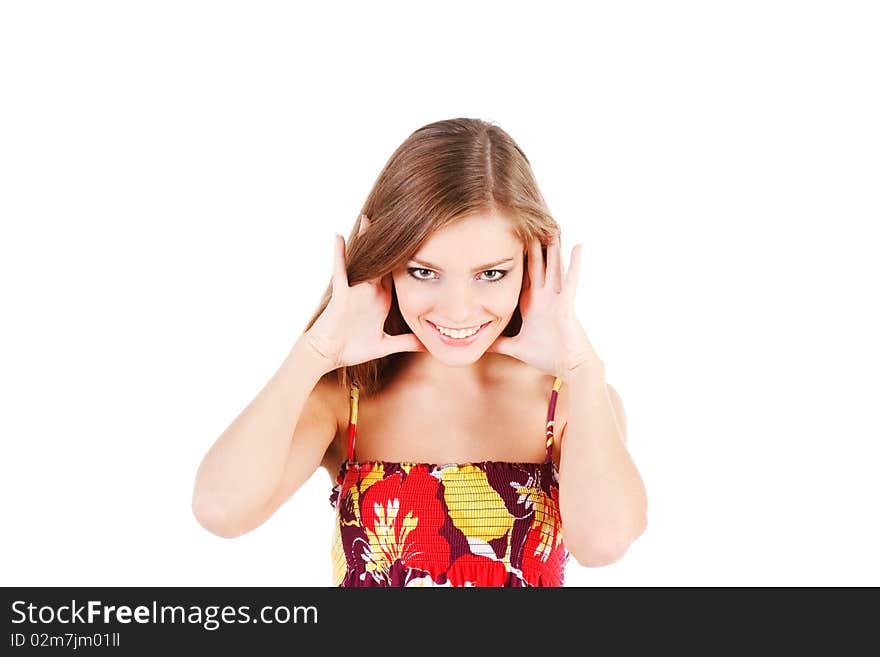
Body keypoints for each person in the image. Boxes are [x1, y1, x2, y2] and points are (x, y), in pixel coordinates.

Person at [191, 117, 648, 587]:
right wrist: (314, 353)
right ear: (386, 261)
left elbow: (604, 542)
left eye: (490, 273)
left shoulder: (571, 403)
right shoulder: (344, 402)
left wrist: (582, 369)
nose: (457, 310)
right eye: (424, 272)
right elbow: (220, 511)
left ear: (534, 261)